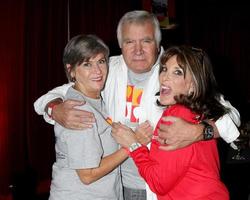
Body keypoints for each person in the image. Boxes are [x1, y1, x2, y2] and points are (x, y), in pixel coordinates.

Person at [34, 11, 240, 200]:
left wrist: (199, 131)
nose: (138, 50)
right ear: (120, 44)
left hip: (156, 188)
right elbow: (56, 94)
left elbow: (231, 116)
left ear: (158, 44)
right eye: (129, 42)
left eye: (146, 41)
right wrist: (54, 108)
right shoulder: (106, 69)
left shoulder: (176, 72)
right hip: (115, 184)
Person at [112, 45, 230, 199]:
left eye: (177, 72)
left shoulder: (178, 115)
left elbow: (158, 183)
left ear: (192, 86)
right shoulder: (196, 111)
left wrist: (133, 145)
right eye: (164, 69)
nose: (164, 77)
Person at [48, 34, 131, 200]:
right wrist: (132, 145)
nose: (98, 71)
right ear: (71, 70)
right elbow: (88, 175)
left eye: (101, 61)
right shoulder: (79, 109)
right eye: (87, 64)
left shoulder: (96, 99)